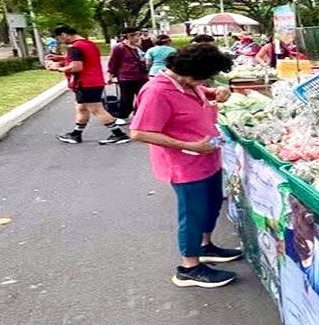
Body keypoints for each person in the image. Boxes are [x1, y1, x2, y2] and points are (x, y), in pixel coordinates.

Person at [129, 43, 242, 288]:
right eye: (207, 76)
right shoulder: (157, 92)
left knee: (211, 206)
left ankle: (205, 246)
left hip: (207, 158)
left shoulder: (187, 84)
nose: (208, 81)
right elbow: (139, 132)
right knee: (192, 214)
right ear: (190, 73)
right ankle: (189, 267)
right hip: (185, 165)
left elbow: (199, 93)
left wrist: (217, 93)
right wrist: (189, 145)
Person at [48, 25, 130, 145]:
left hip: (85, 83)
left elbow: (76, 66)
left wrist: (58, 68)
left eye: (59, 38)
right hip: (95, 81)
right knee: (81, 108)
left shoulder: (74, 47)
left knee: (97, 109)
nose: (61, 41)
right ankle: (76, 134)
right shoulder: (88, 44)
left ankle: (118, 134)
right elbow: (84, 59)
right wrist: (60, 58)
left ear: (64, 34)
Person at [107, 27, 150, 124]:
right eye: (133, 35)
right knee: (126, 98)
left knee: (143, 97)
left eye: (137, 35)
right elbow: (113, 62)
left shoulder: (138, 47)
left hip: (141, 76)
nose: (136, 38)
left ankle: (139, 114)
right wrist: (110, 75)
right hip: (126, 76)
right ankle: (122, 115)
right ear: (126, 36)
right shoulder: (119, 48)